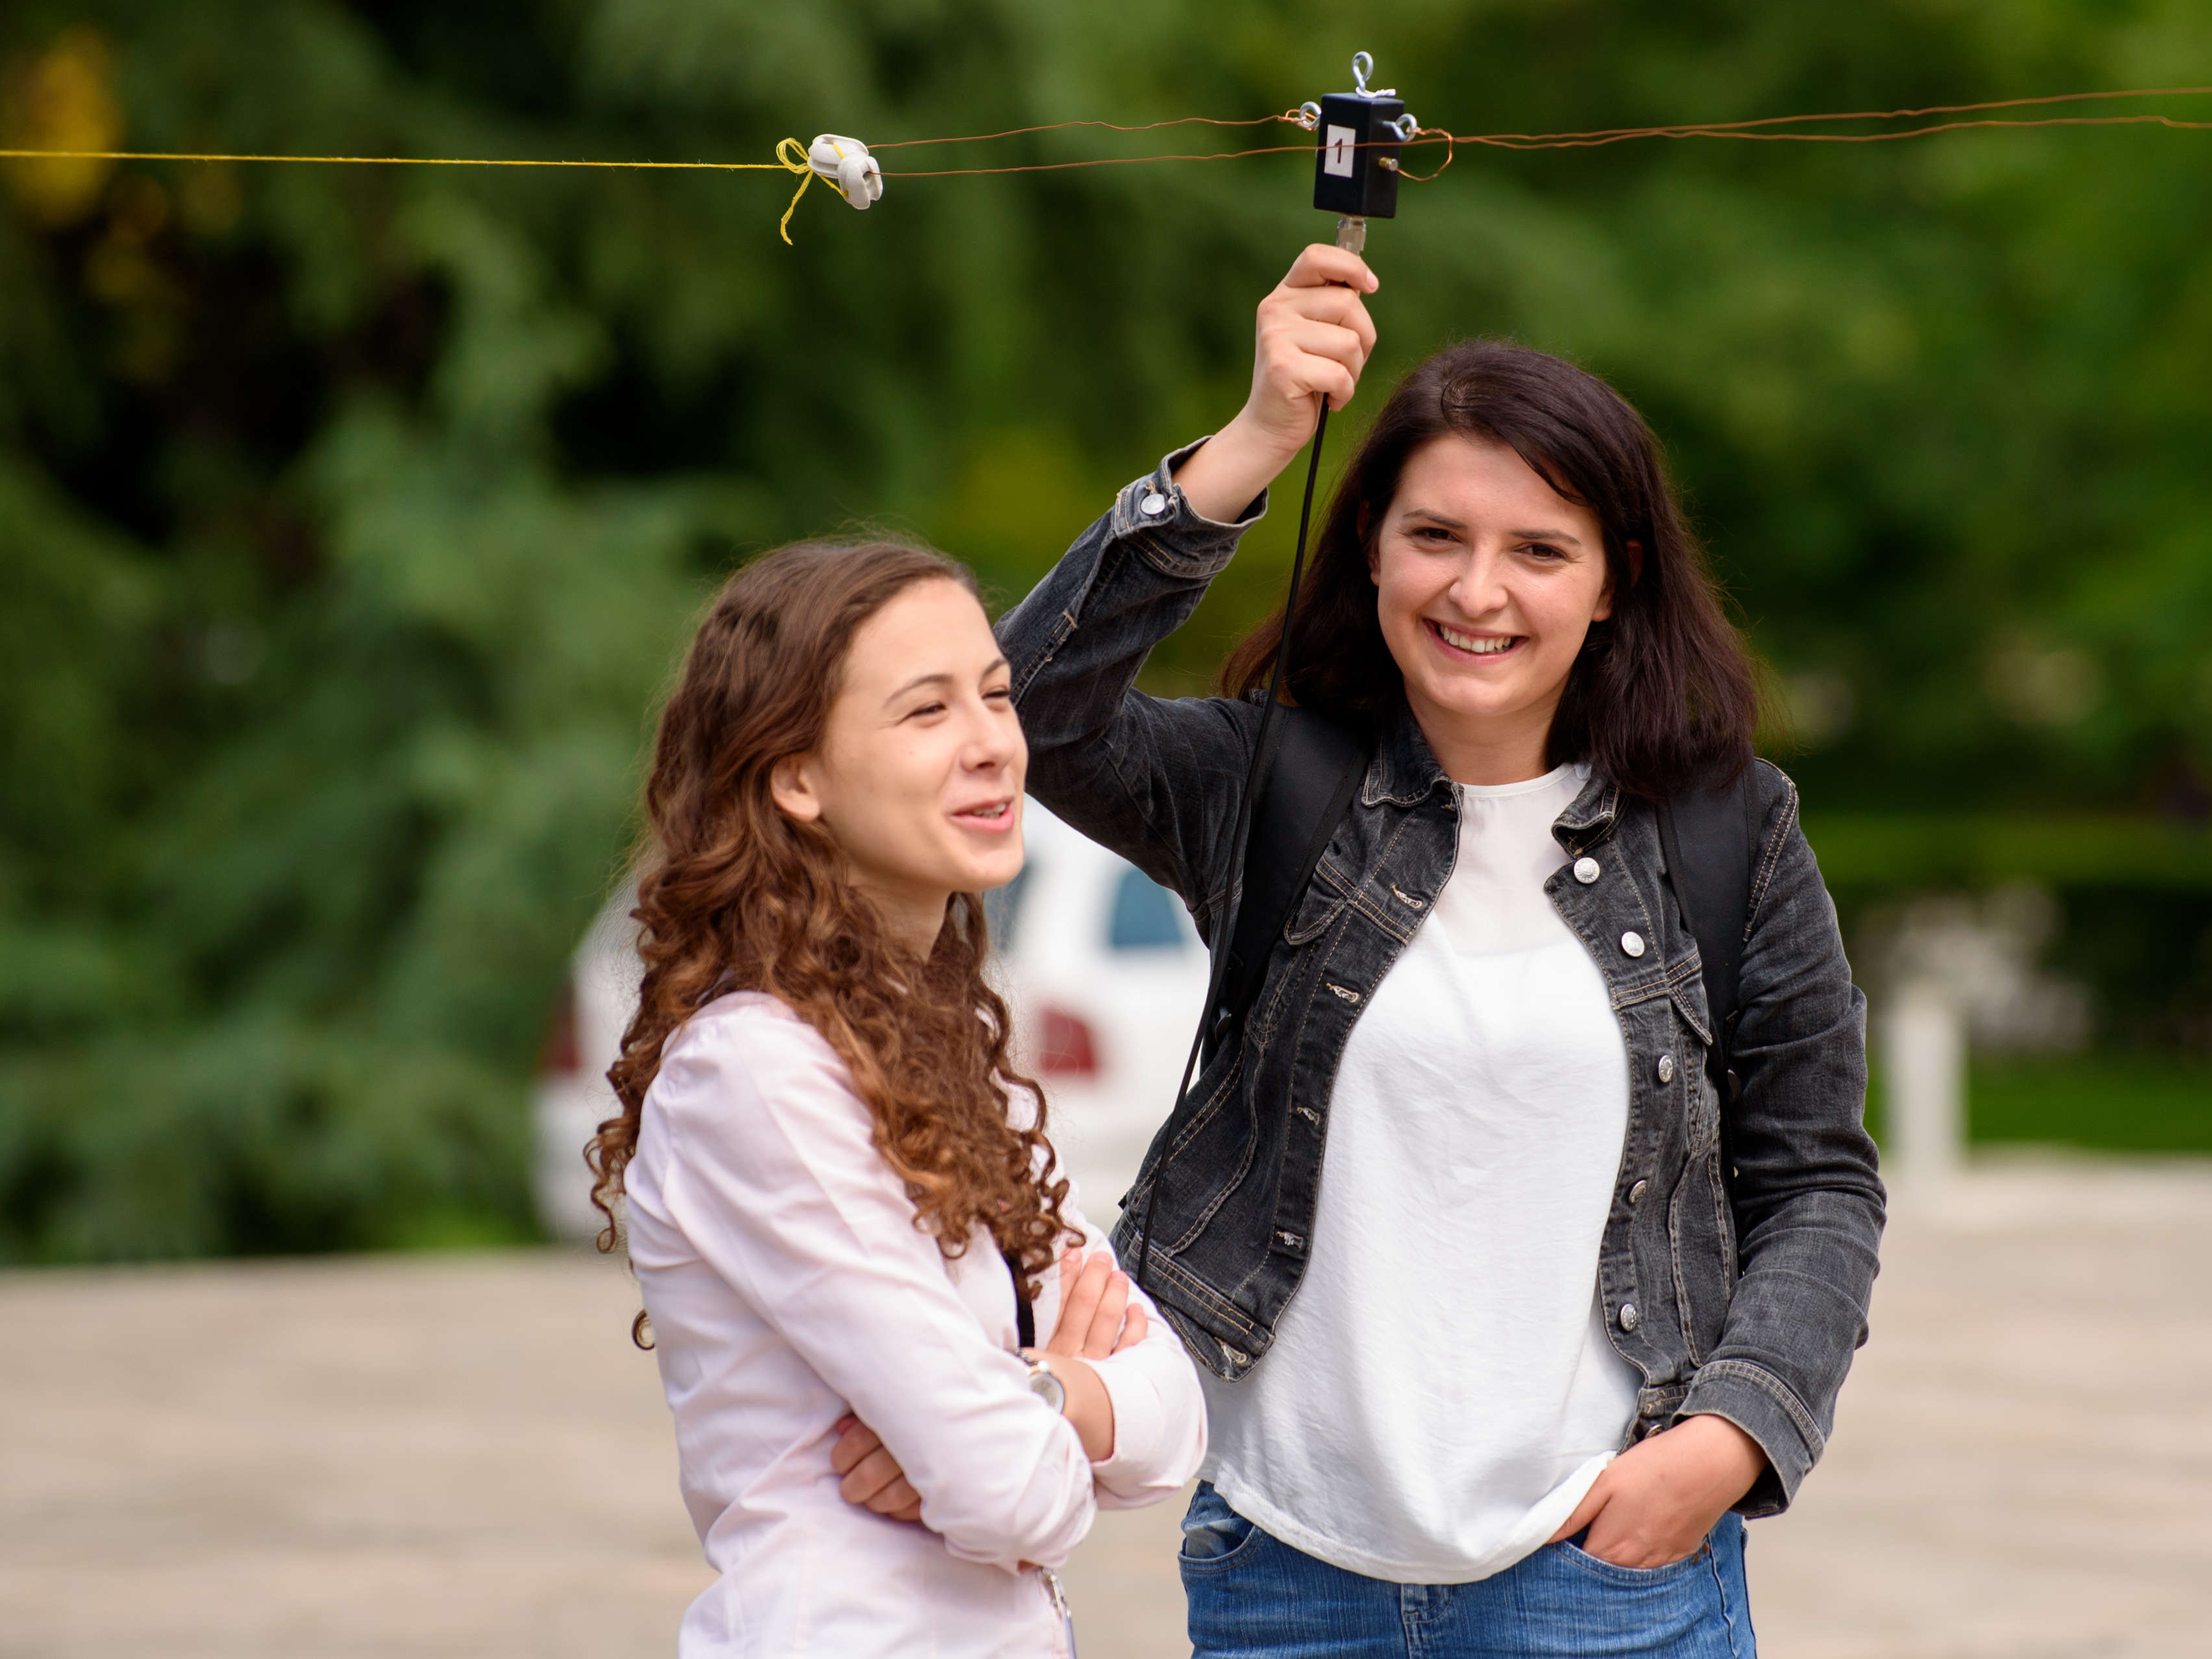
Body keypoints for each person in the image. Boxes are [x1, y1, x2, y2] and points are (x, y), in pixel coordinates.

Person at [993, 246, 1886, 1657]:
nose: (1480, 590)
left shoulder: (1731, 830)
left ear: (1613, 583)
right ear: (1369, 549)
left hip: (1608, 1575)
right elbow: (1027, 713)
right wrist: (1257, 438)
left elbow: (1819, 1179)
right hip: (1287, 1568)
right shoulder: (1268, 783)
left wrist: (1729, 1437)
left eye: (1540, 548)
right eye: (1435, 537)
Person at [585, 540, 1207, 1658]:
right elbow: (1016, 1497)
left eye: (998, 696)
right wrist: (1049, 1417)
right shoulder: (757, 1074)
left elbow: (1175, 1416)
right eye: (926, 713)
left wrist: (1043, 1393)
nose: (991, 745)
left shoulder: (934, 1045)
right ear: (796, 776)